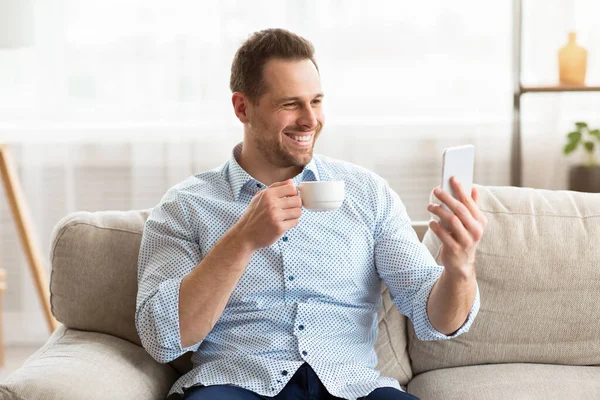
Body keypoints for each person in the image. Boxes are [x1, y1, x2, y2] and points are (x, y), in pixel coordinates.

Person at [135, 28, 487, 400]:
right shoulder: (185, 207)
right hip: (236, 385)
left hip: (350, 388)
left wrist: (460, 267)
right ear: (242, 107)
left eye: (316, 102)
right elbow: (162, 338)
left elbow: (437, 320)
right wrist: (242, 240)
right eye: (290, 104)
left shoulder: (367, 194)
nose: (309, 120)